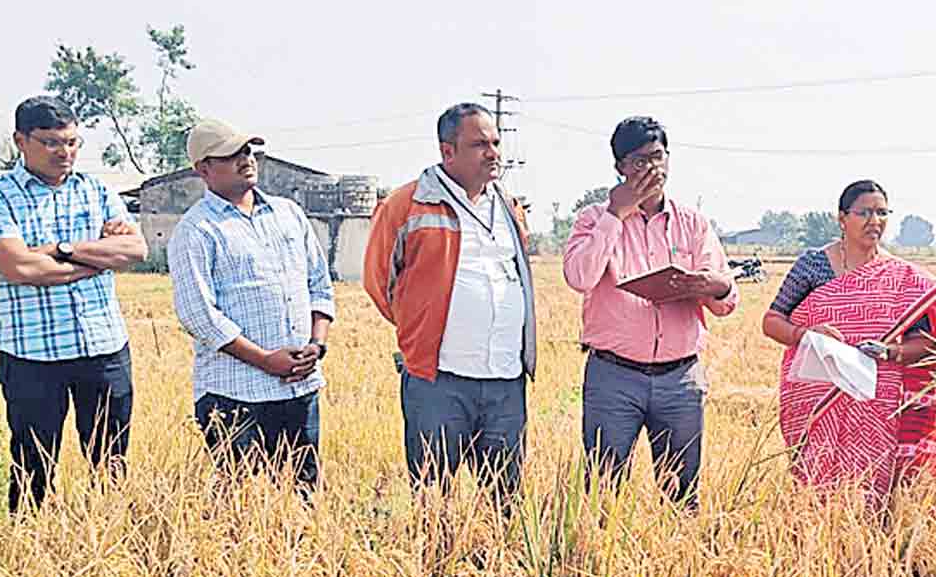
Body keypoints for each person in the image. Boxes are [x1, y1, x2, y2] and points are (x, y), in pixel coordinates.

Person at [0, 96, 148, 511]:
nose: (63, 152)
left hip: (103, 349)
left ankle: (106, 539)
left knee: (111, 464)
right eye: (50, 142)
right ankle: (29, 554)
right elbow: (19, 269)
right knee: (32, 466)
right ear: (21, 140)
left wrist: (59, 250)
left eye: (71, 142)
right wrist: (94, 259)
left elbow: (136, 250)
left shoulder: (96, 189)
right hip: (32, 353)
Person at [363, 103, 536, 508]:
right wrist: (420, 328)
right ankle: (435, 570)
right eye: (479, 144)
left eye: (495, 142)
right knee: (432, 497)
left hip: (506, 380)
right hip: (439, 380)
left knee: (504, 499)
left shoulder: (509, 207)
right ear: (448, 152)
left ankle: (495, 569)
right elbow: (378, 282)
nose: (493, 153)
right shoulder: (406, 205)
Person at [563, 116, 737, 508]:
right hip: (614, 377)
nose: (651, 169)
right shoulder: (593, 219)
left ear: (669, 159)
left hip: (680, 379)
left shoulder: (692, 224)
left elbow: (725, 298)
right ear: (620, 168)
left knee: (681, 496)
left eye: (657, 157)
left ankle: (674, 564)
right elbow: (580, 277)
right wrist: (615, 214)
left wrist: (712, 286)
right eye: (638, 162)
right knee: (603, 492)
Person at [762, 180, 936, 504]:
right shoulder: (814, 265)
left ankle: (866, 550)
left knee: (871, 489)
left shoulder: (905, 279)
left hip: (877, 399)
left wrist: (889, 351)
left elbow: (930, 344)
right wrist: (806, 335)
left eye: (882, 213)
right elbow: (771, 321)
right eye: (864, 212)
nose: (874, 221)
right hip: (817, 394)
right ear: (842, 218)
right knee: (814, 489)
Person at [168, 120, 335, 494]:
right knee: (238, 508)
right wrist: (265, 360)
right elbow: (199, 316)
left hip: (298, 387)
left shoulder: (288, 214)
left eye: (247, 151)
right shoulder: (196, 230)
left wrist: (316, 346)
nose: (245, 160)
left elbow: (319, 285)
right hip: (235, 395)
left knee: (303, 499)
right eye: (231, 155)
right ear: (203, 169)